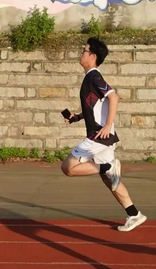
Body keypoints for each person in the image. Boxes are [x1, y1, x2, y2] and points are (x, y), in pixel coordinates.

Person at [61, 37, 147, 232]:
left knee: (68, 167)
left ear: (92, 56)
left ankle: (108, 166)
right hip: (103, 138)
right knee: (110, 180)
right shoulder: (90, 78)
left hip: (98, 137)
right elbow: (95, 106)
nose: (80, 54)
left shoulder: (93, 76)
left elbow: (114, 97)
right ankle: (134, 214)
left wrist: (108, 125)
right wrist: (77, 117)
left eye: (84, 51)